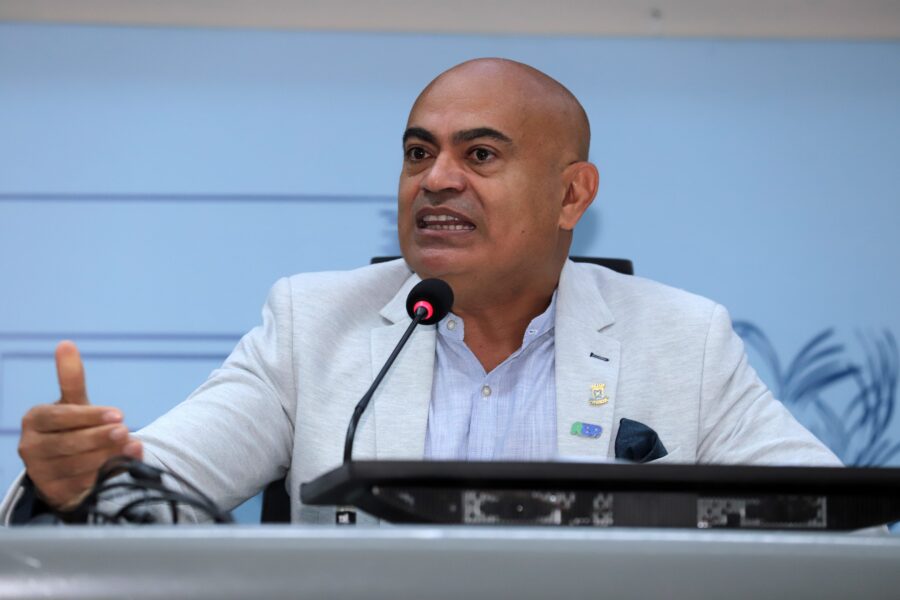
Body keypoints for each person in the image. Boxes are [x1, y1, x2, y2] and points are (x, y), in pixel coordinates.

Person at [3, 58, 840, 524]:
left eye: (480, 155)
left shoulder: (683, 339)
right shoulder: (312, 324)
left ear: (571, 195)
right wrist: (77, 477)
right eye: (417, 153)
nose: (435, 179)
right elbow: (157, 481)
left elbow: (835, 522)